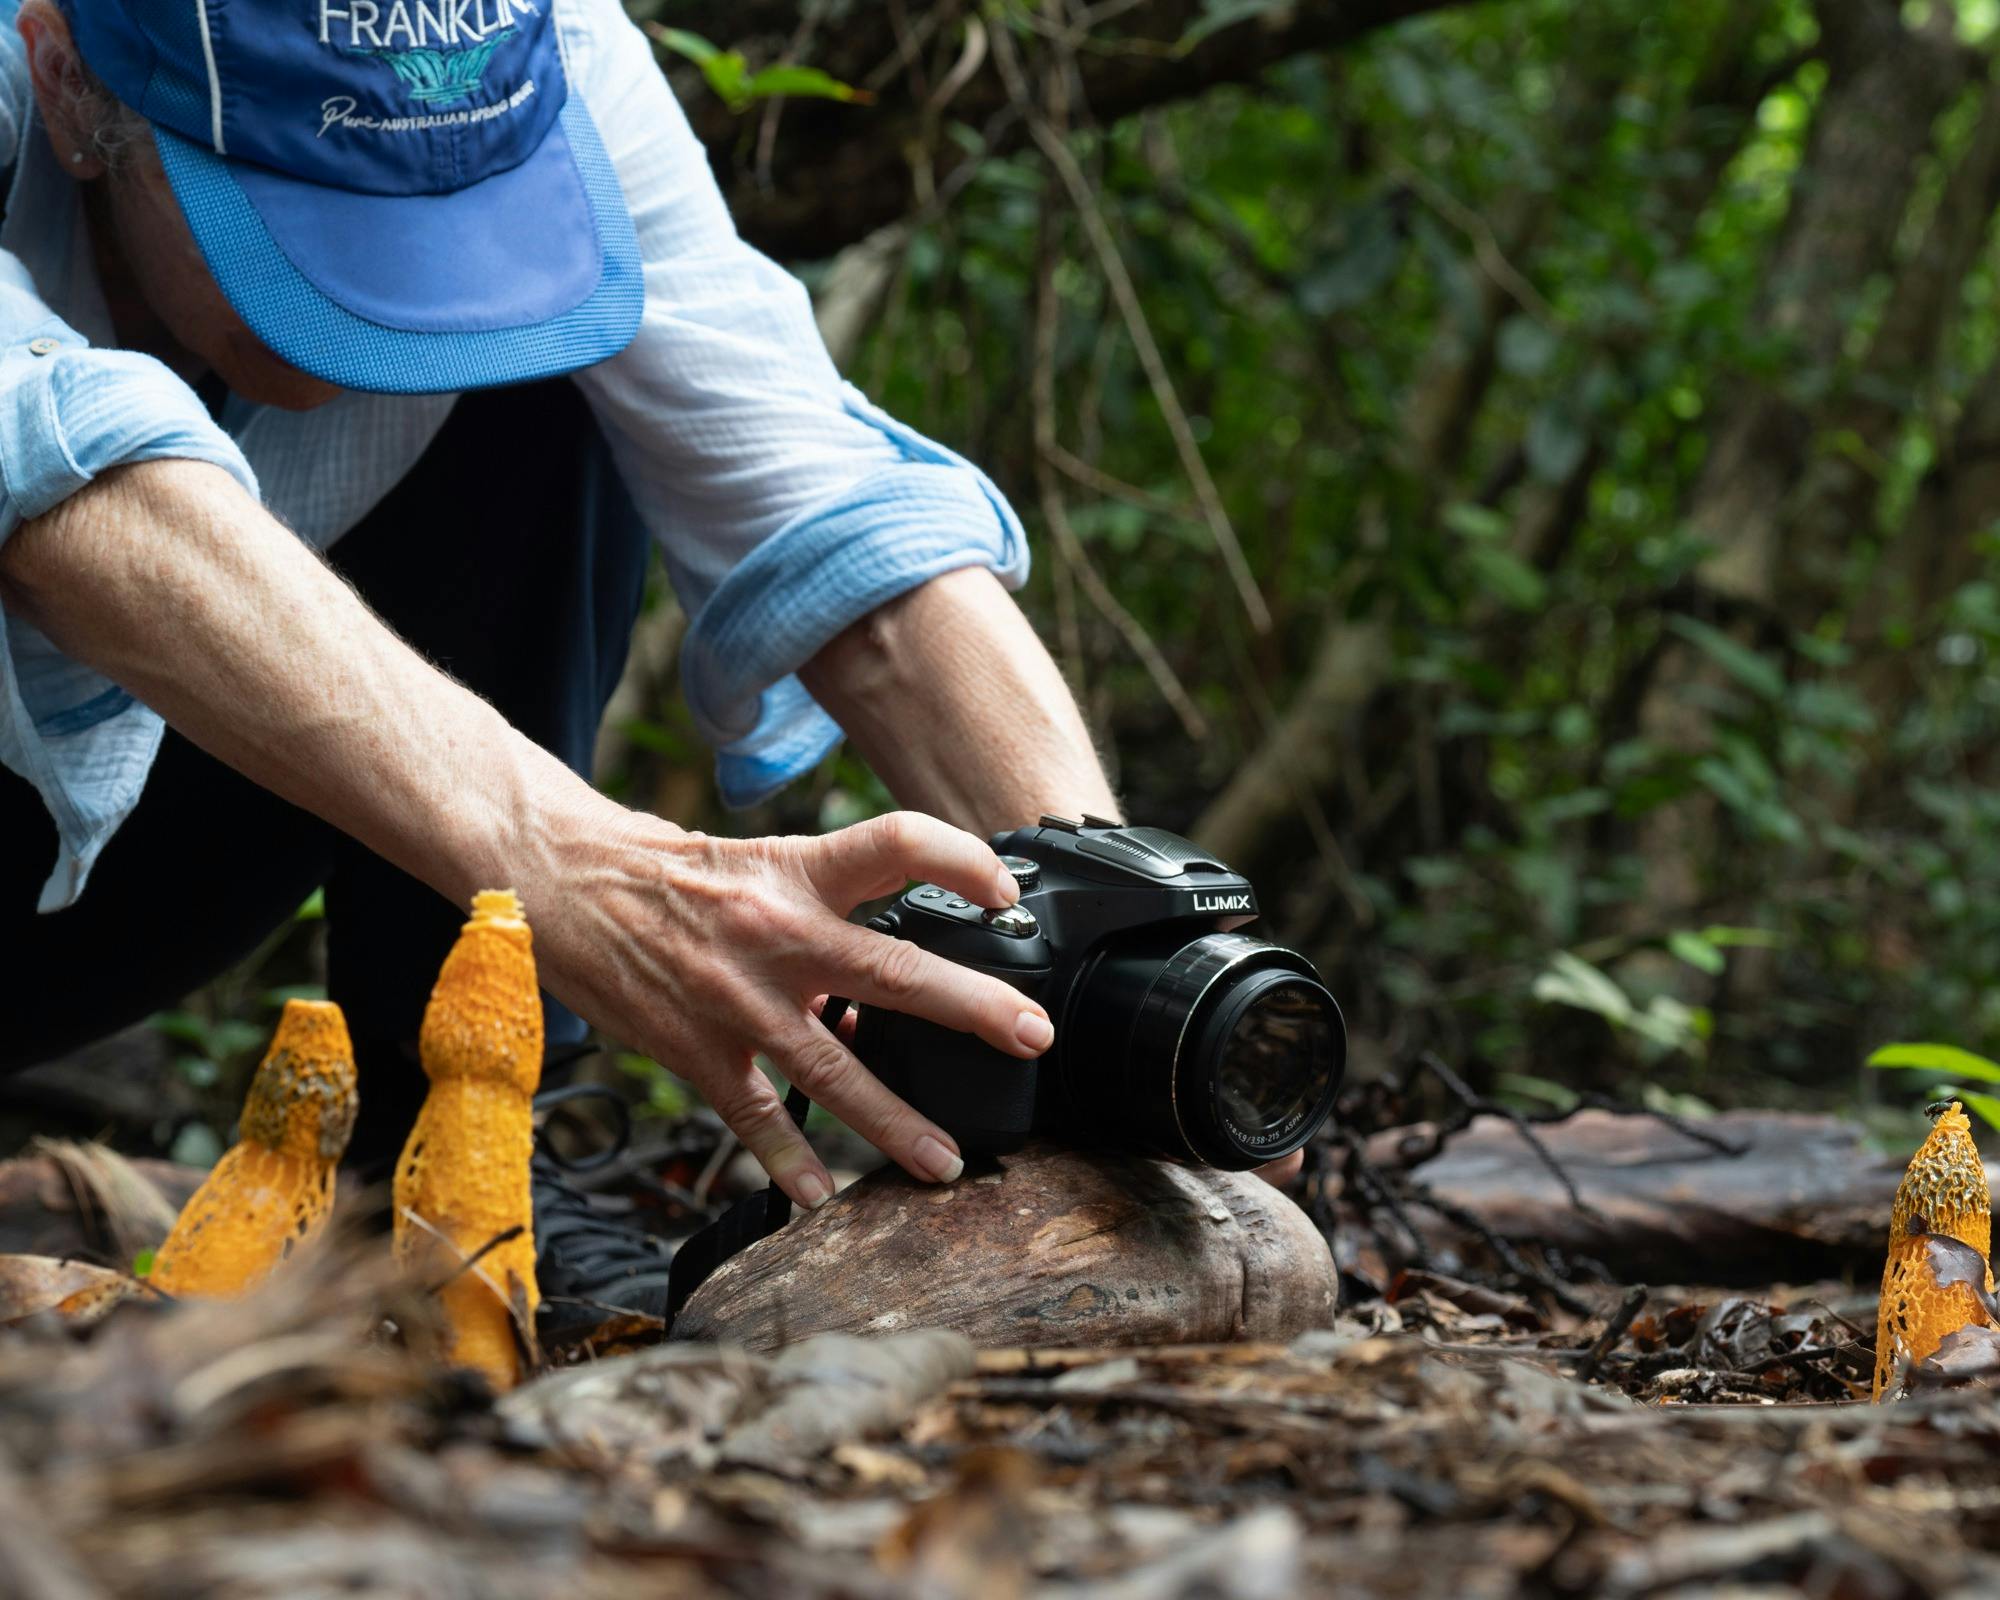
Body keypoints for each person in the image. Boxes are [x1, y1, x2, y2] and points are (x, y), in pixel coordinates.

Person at [0, 0, 1291, 1322]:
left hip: (167, 832)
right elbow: (50, 474)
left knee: (554, 352)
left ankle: (459, 1160)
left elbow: (826, 508)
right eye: (298, 221)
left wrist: (1099, 944)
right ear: (63, 79)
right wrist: (593, 873)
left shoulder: (537, 53)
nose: (379, 301)